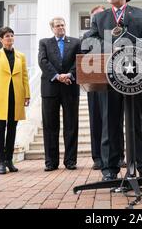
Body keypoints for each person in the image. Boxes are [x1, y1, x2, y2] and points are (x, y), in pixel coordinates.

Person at [85, 0, 142, 181]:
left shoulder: (141, 13)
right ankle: (110, 169)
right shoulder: (99, 18)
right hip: (108, 78)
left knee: (139, 122)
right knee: (110, 123)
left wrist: (131, 47)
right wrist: (108, 47)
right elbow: (91, 40)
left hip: (137, 76)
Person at [83, 5, 126, 171]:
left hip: (116, 83)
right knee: (97, 121)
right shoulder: (87, 36)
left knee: (116, 120)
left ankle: (119, 156)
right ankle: (98, 158)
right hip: (95, 84)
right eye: (96, 17)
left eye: (102, 16)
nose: (99, 19)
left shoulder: (116, 34)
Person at [38, 17, 81, 172]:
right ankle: (51, 162)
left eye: (63, 25)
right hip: (50, 88)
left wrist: (69, 75)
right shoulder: (44, 42)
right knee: (50, 126)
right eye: (57, 26)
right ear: (52, 28)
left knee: (71, 125)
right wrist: (57, 76)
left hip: (70, 87)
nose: (61, 28)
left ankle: (70, 161)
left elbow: (79, 61)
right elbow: (43, 61)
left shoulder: (76, 42)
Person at [0, 27, 30, 175]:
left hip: (16, 96)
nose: (10, 38)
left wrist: (27, 95)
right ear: (1, 39)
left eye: (12, 35)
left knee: (12, 129)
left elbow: (25, 76)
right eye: (7, 36)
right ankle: (0, 162)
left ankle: (9, 160)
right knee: (0, 130)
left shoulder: (21, 56)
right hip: (0, 97)